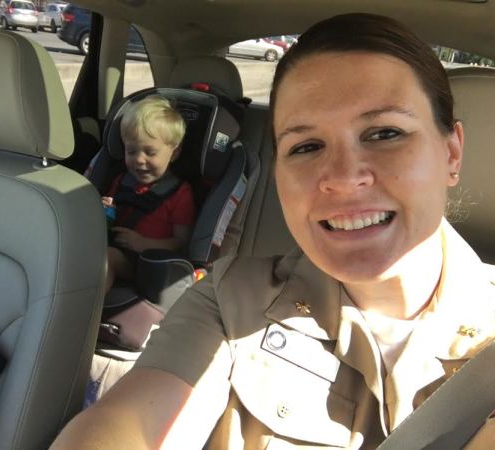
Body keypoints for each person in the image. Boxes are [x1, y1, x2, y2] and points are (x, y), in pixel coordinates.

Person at [51, 13, 495, 449]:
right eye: (306, 146)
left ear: (452, 153)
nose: (343, 178)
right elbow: (128, 425)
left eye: (384, 134)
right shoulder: (226, 300)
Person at [103, 95, 196, 292]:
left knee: (106, 258)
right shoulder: (121, 181)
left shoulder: (180, 193)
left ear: (174, 153)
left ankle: (85, 308)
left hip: (148, 263)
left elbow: (181, 243)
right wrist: (105, 210)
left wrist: (143, 243)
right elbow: (110, 217)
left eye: (150, 152)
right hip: (115, 249)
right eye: (131, 151)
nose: (139, 159)